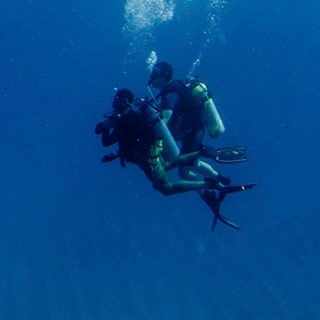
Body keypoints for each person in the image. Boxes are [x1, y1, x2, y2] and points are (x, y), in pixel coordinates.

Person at [95, 87, 255, 229]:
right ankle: (201, 154)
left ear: (127, 102)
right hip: (155, 149)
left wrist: (106, 128)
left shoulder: (124, 120)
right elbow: (111, 140)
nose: (116, 102)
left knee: (166, 188)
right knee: (168, 165)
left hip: (146, 158)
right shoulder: (134, 116)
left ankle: (208, 184)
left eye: (119, 100)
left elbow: (108, 141)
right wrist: (106, 127)